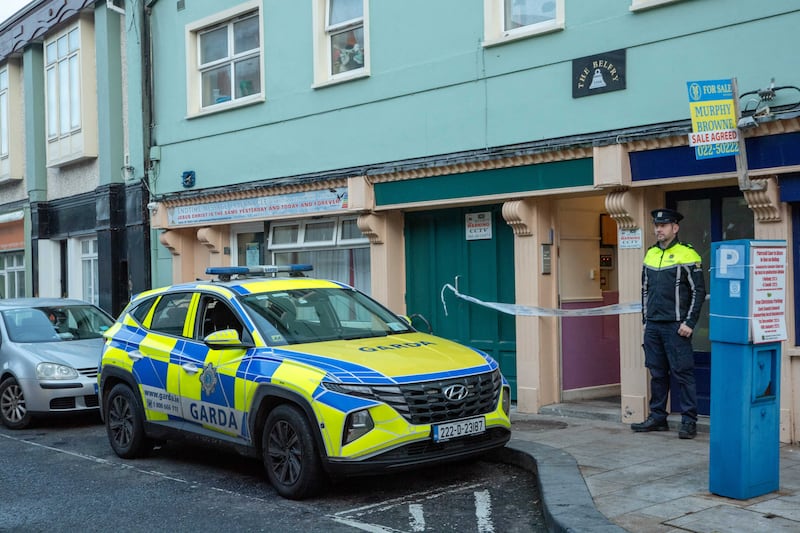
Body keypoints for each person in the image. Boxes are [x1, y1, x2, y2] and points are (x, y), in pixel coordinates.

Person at [631, 208, 706, 439]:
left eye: (663, 225)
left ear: (675, 228)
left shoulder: (688, 254)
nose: (658, 229)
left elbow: (699, 291)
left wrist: (689, 322)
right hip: (653, 325)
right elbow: (644, 290)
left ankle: (689, 421)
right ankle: (657, 417)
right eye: (656, 225)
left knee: (683, 374)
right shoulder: (650, 254)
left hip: (676, 326)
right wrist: (645, 321)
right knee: (657, 373)